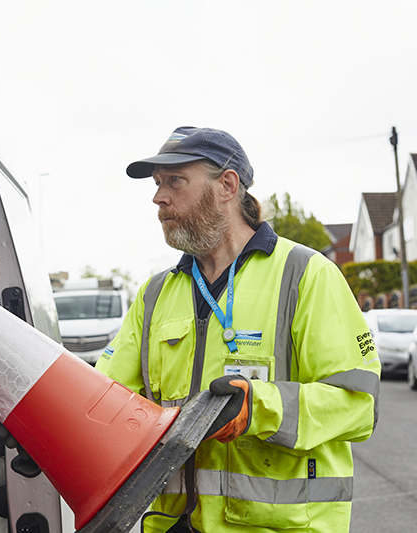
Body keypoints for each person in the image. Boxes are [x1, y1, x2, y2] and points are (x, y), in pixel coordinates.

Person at [95, 127, 380, 533]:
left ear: (227, 185)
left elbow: (358, 405)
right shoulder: (155, 294)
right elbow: (105, 397)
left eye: (175, 181)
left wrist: (256, 408)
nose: (158, 197)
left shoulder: (306, 274)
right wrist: (43, 425)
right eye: (158, 184)